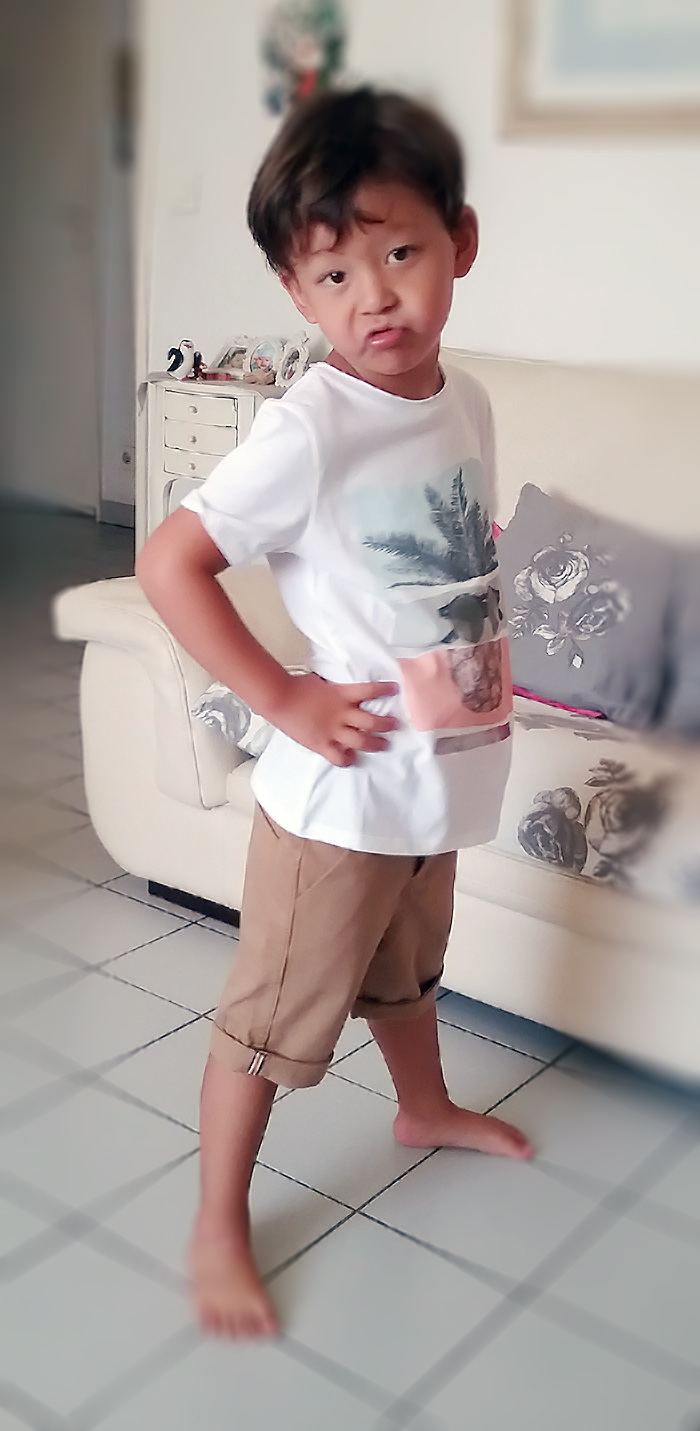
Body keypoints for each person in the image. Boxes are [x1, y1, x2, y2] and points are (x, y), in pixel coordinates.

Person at [136, 85, 533, 1340]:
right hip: (339, 800)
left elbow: (441, 558)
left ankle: (422, 1107)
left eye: (401, 253)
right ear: (296, 293)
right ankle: (217, 1222)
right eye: (333, 274)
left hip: (437, 776)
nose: (375, 297)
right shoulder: (309, 428)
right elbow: (170, 563)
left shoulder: (462, 400)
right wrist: (282, 697)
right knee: (272, 1021)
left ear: (460, 242)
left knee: (409, 970)